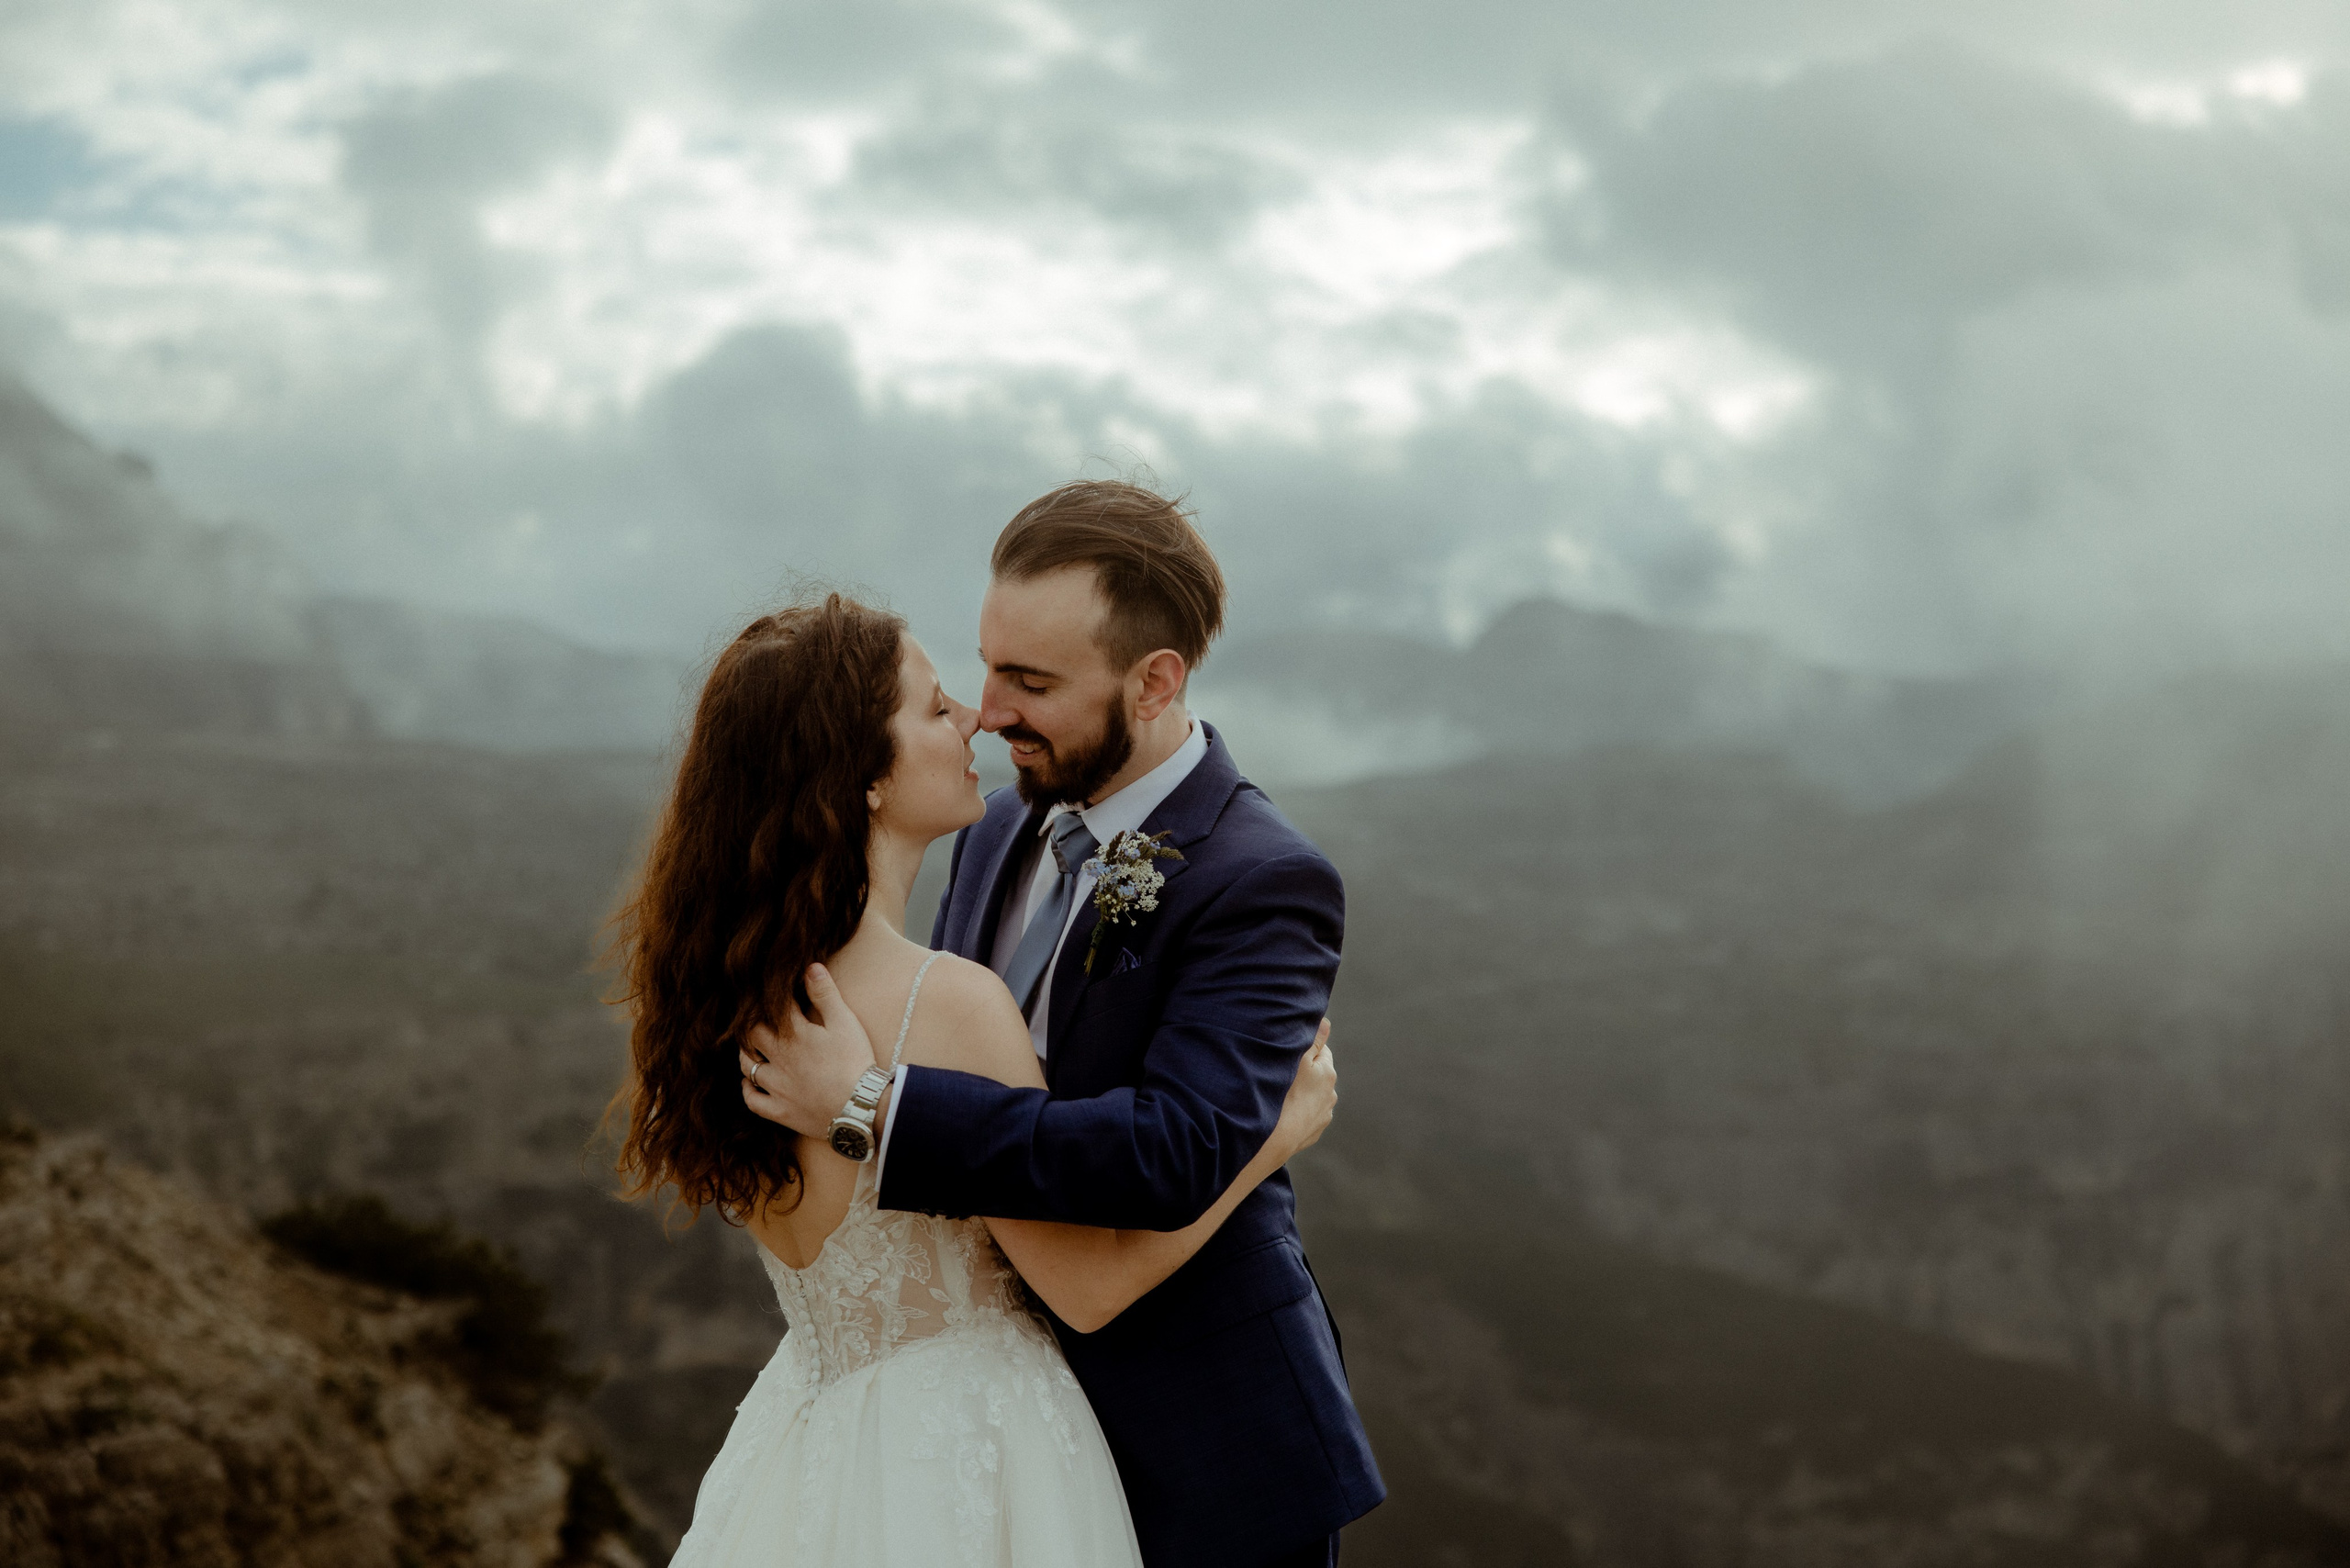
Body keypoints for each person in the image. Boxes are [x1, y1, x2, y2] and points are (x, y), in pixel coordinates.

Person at [610, 590, 1338, 1568]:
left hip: (812, 1449)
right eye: (933, 705)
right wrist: (1268, 1142)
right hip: (976, 1464)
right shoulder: (946, 1003)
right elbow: (1086, 1289)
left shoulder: (741, 992)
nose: (975, 718)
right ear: (861, 776)